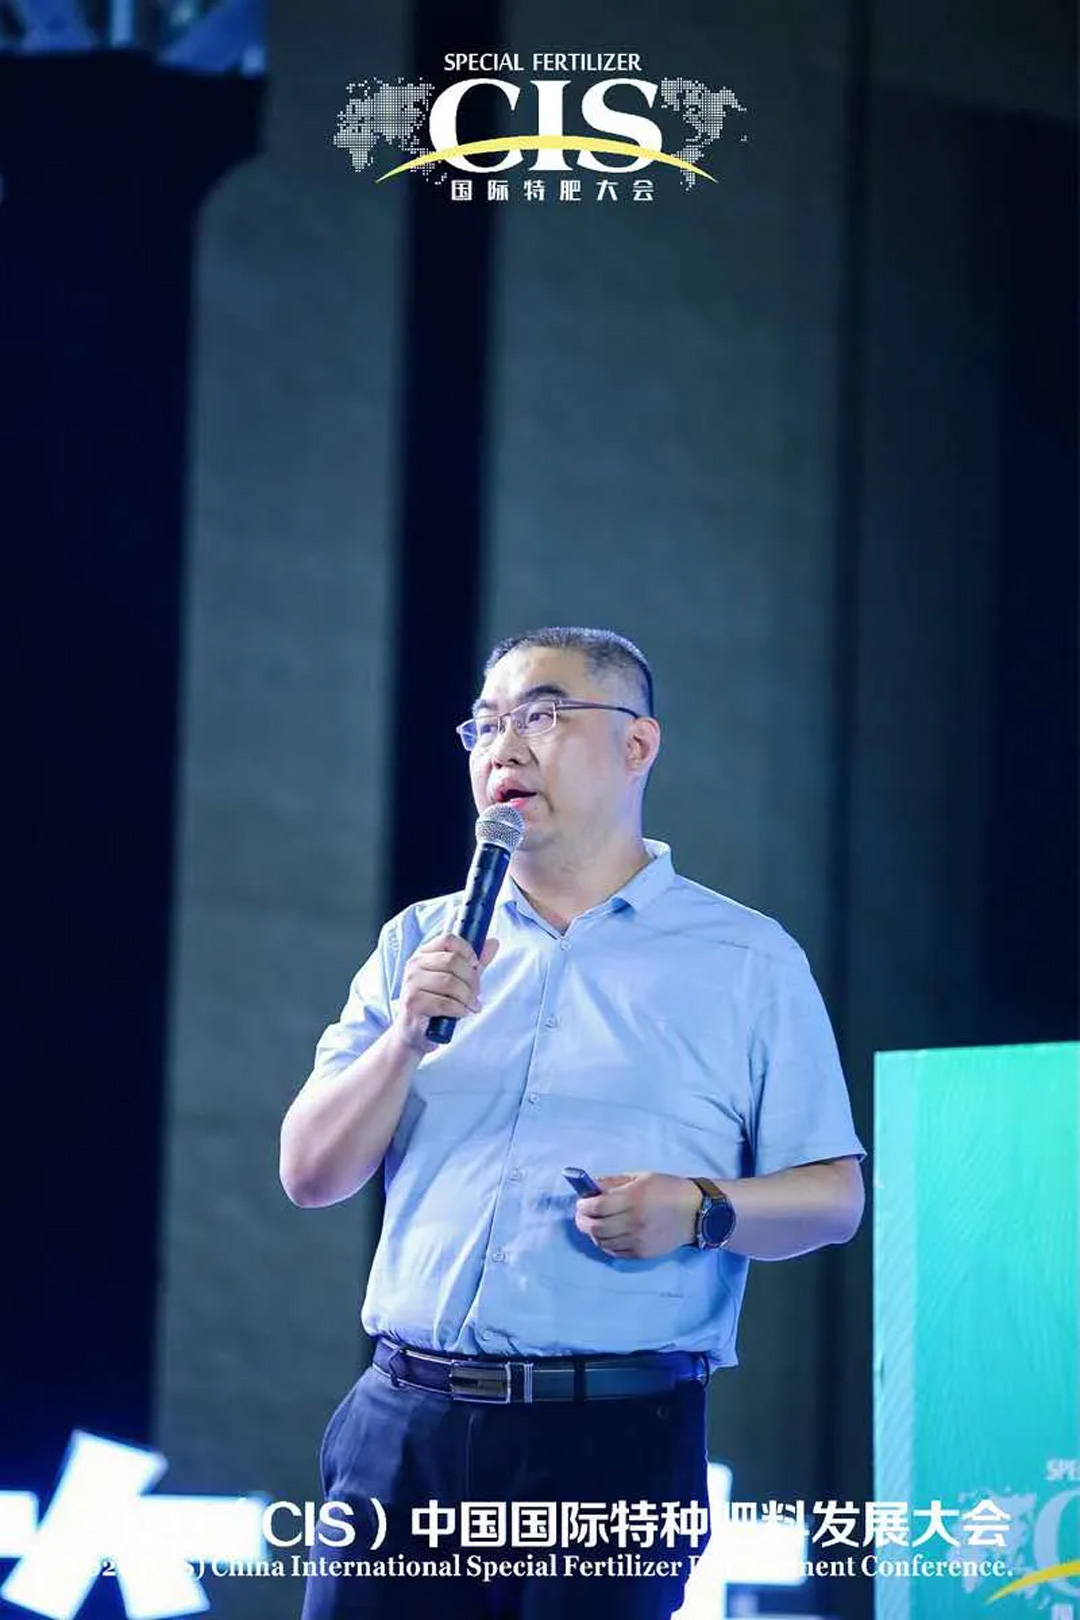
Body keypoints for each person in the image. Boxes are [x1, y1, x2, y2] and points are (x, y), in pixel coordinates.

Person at [280, 625, 866, 1620]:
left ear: (637, 745)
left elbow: (834, 1199)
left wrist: (700, 1209)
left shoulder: (748, 961)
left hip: (612, 1440)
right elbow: (309, 1174)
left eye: (541, 715)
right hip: (403, 1427)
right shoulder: (420, 942)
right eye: (484, 725)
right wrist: (405, 1040)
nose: (502, 748)